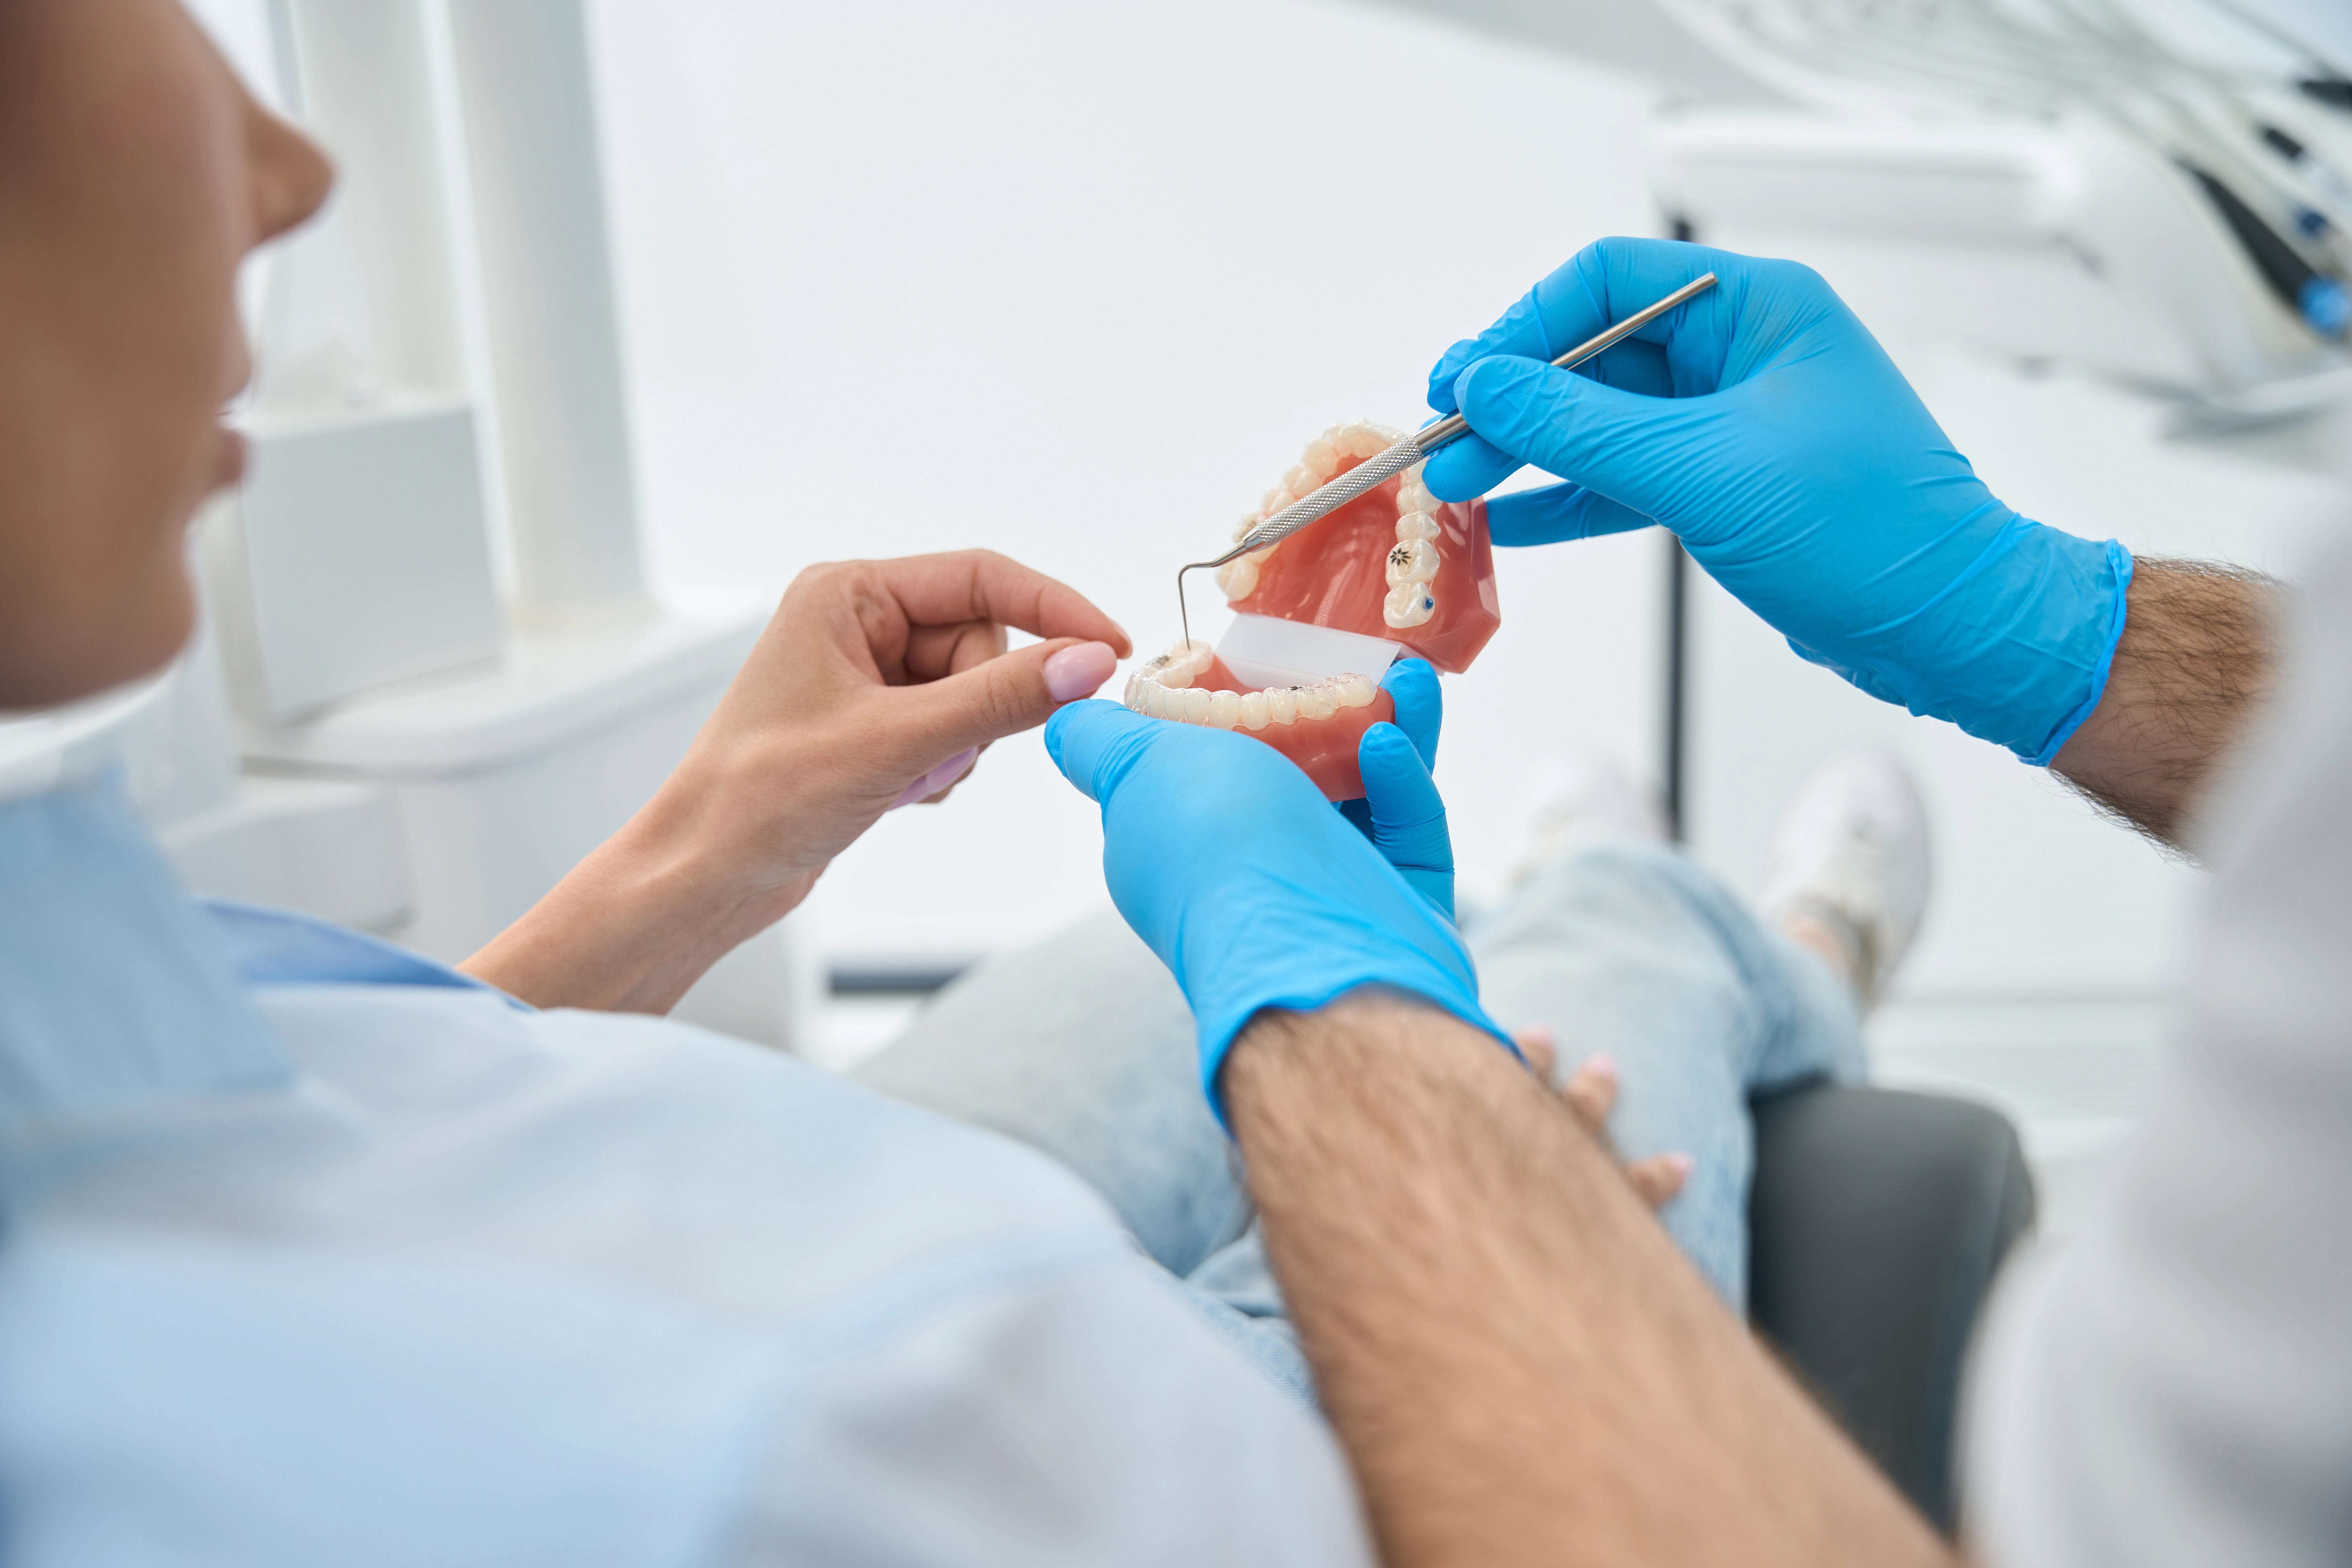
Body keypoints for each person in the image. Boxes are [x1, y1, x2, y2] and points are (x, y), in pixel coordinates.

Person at [0, 5, 1779, 1562]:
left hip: (716, 1264)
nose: (296, 169)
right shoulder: (817, 1439)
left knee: (1121, 971)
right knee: (1599, 965)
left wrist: (710, 845)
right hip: (920, 1386)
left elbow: (308, 1132)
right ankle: (1743, 918)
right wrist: (1460, 1177)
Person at [1042, 232, 2328, 1568]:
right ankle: (1807, 952)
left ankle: (1600, 909)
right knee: (1612, 934)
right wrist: (1427, 1090)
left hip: (920, 1240)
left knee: (1125, 965)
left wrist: (2053, 620)